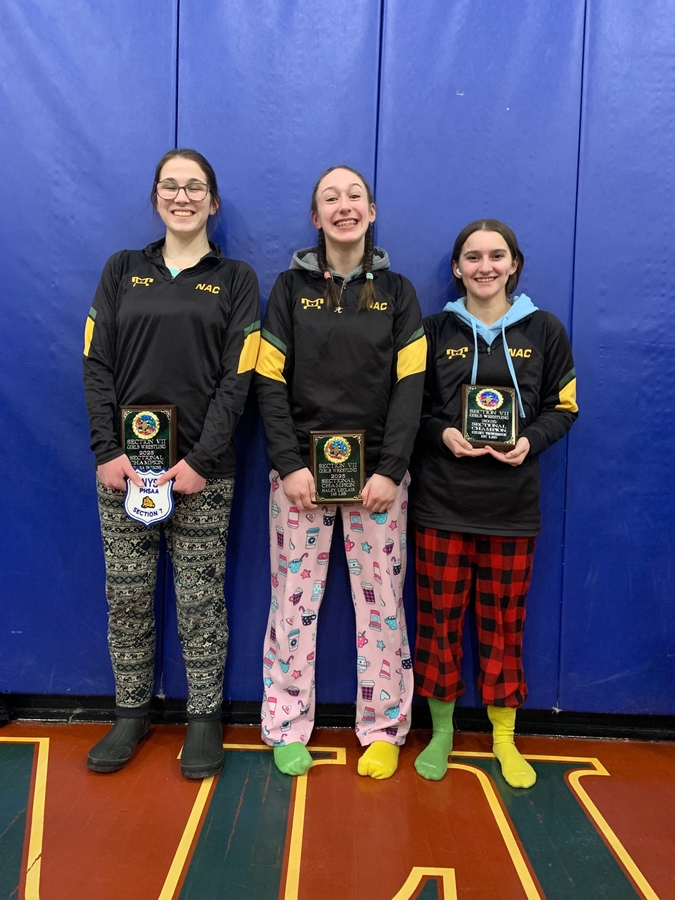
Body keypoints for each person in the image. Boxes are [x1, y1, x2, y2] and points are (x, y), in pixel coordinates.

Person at [83, 149, 260, 778]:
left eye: (195, 187)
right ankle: (131, 712)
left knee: (200, 600)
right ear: (156, 197)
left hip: (204, 472)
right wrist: (107, 450)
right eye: (170, 186)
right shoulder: (121, 269)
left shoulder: (236, 278)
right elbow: (96, 364)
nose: (182, 197)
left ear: (213, 201)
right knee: (127, 597)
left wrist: (202, 459)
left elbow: (240, 376)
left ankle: (204, 718)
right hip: (125, 471)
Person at [255, 166, 426, 779]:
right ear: (316, 216)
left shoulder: (399, 292)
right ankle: (284, 723)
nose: (344, 205)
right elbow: (268, 381)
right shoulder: (287, 288)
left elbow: (412, 386)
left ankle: (383, 727)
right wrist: (288, 464)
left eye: (355, 196)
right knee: (292, 603)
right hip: (300, 480)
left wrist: (392, 468)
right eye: (331, 197)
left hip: (379, 481)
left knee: (382, 606)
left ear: (371, 212)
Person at [411, 219, 578, 787]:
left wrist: (531, 440)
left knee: (505, 624)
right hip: (441, 504)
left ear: (514, 265)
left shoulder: (545, 329)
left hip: (513, 509)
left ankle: (504, 737)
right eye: (473, 257)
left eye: (497, 256)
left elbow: (564, 407)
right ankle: (441, 732)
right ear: (457, 269)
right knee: (439, 621)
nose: (485, 266)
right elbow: (410, 409)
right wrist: (441, 434)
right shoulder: (433, 330)